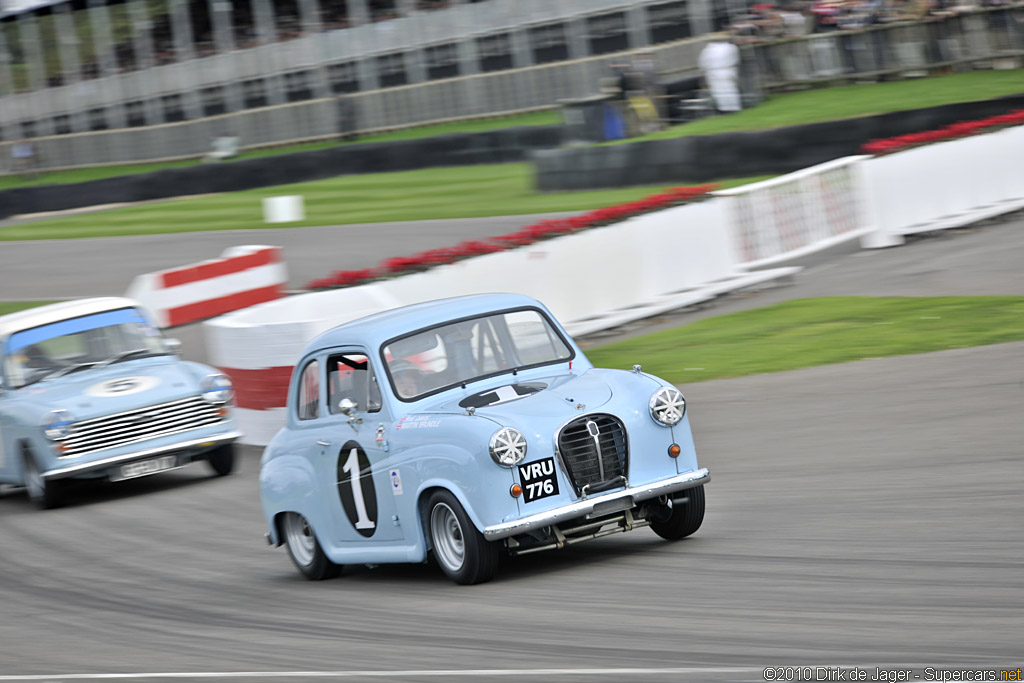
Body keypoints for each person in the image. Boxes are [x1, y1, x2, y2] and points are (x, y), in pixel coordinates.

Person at [699, 36, 743, 113]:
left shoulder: (707, 51)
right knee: (731, 89)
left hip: (715, 72)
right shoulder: (731, 47)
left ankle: (726, 109)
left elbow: (703, 64)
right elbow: (736, 59)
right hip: (729, 69)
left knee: (719, 91)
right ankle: (734, 106)